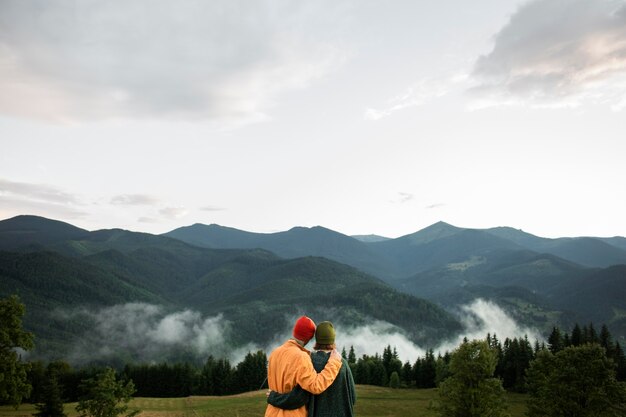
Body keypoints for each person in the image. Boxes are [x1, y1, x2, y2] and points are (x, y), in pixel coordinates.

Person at [267, 321, 357, 417]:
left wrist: (273, 397)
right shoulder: (342, 363)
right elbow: (353, 397)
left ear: (316, 340)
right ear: (333, 340)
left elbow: (298, 397)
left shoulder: (309, 361)